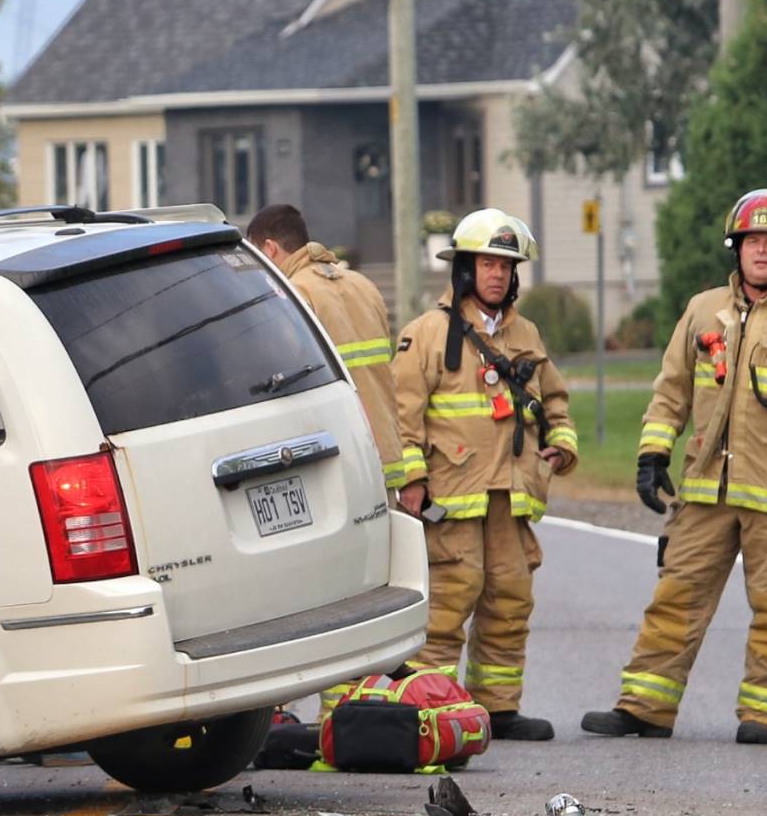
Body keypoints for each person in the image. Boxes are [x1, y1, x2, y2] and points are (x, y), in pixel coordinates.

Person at [583, 189, 767, 745]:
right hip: (705, 489)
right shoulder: (700, 311)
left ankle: (764, 714)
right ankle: (645, 707)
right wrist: (652, 453)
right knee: (675, 595)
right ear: (737, 250)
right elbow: (670, 392)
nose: (761, 252)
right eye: (752, 241)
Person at [387, 208, 577, 741]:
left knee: (510, 599)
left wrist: (561, 445)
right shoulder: (425, 335)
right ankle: (430, 708)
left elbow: (555, 401)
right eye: (487, 263)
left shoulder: (527, 335)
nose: (497, 274)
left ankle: (497, 707)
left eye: (506, 265)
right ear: (465, 270)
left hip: (511, 497)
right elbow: (402, 414)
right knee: (449, 601)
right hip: (451, 498)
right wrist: (413, 481)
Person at [245, 203, 399, 478]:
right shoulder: (363, 285)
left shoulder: (290, 294)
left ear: (269, 249)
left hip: (341, 463)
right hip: (386, 457)